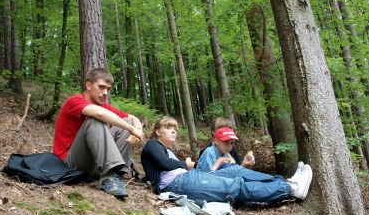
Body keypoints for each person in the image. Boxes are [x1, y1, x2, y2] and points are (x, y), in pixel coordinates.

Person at [141, 116, 312, 205]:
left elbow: (168, 163)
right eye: (168, 128)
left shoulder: (166, 149)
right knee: (235, 186)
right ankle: (290, 188)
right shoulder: (152, 144)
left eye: (175, 129)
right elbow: (165, 165)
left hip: (186, 178)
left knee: (233, 170)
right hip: (176, 183)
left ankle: (287, 181)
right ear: (157, 131)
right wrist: (186, 165)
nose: (173, 132)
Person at [53, 68, 145, 197]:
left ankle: (115, 174)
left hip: (93, 164)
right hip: (69, 163)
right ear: (88, 85)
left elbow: (132, 118)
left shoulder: (103, 106)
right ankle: (108, 176)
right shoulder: (74, 101)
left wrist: (137, 131)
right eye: (101, 87)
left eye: (108, 89)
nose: (105, 92)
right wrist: (131, 129)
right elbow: (99, 114)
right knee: (95, 120)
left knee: (126, 122)